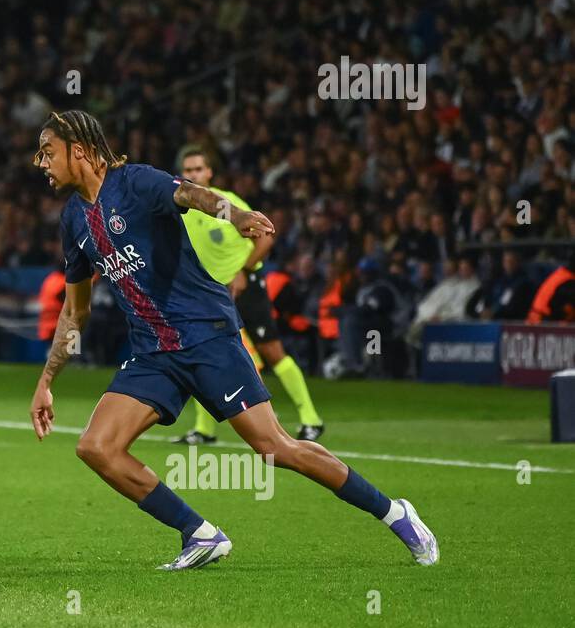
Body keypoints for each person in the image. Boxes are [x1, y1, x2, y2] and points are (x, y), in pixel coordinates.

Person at [28, 110, 438, 570]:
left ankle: (395, 513)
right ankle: (200, 535)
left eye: (46, 151)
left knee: (275, 448)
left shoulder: (136, 183)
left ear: (78, 150)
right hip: (153, 354)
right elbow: (75, 310)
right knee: (96, 447)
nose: (39, 162)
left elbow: (193, 194)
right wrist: (47, 381)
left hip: (207, 335)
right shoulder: (73, 220)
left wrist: (236, 214)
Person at [171, 146, 324, 443]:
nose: (193, 175)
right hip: (213, 291)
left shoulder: (225, 203)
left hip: (246, 282)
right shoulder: (181, 209)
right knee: (201, 352)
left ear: (210, 172)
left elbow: (266, 235)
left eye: (198, 169)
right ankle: (204, 430)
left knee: (271, 351)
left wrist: (244, 270)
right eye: (188, 171)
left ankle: (311, 419)